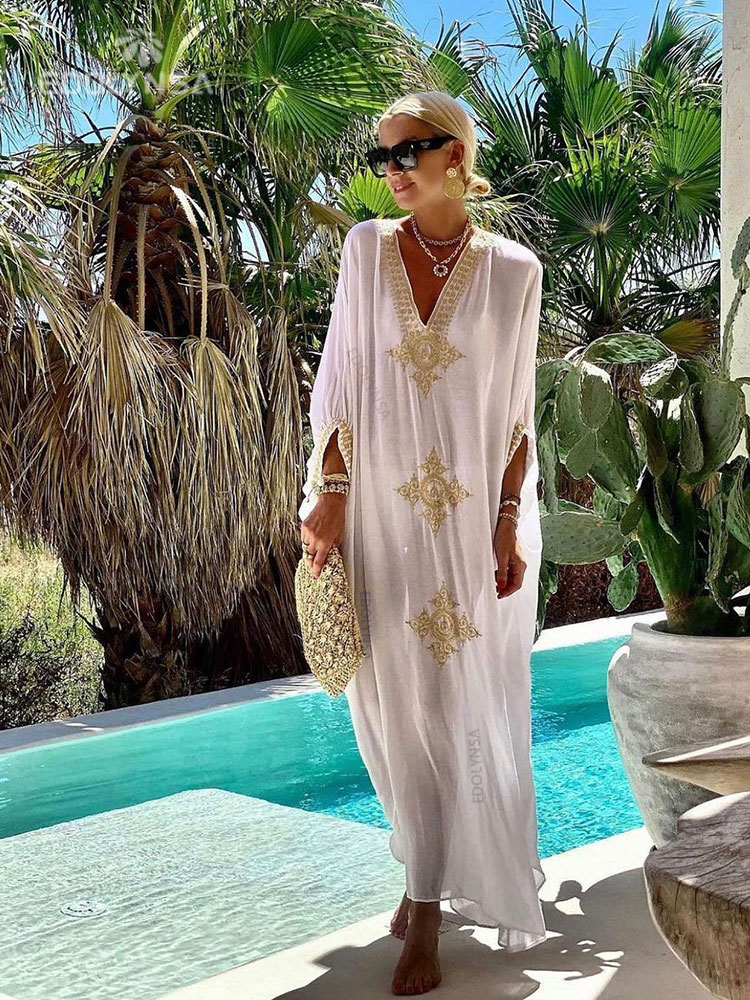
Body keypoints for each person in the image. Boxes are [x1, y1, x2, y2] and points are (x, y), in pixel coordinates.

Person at [298, 90, 546, 996]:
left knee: (457, 698)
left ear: (457, 155)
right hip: (380, 516)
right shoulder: (366, 252)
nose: (394, 170)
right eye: (384, 157)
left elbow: (516, 411)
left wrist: (509, 517)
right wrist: (330, 494)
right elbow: (338, 382)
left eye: (411, 151)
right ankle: (423, 873)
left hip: (470, 521)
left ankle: (428, 902)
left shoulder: (515, 271)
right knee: (396, 701)